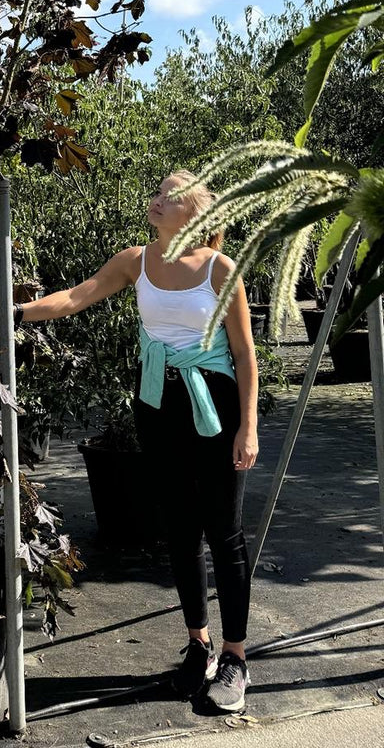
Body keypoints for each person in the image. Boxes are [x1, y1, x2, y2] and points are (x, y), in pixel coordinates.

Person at [13, 170, 259, 712]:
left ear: (193, 213)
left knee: (225, 531)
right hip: (158, 405)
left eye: (166, 196)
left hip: (214, 405)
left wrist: (249, 426)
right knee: (180, 529)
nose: (154, 201)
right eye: (155, 193)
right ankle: (200, 645)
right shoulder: (136, 260)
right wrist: (15, 315)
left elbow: (245, 356)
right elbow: (78, 297)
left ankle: (237, 658)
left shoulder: (222, 271)